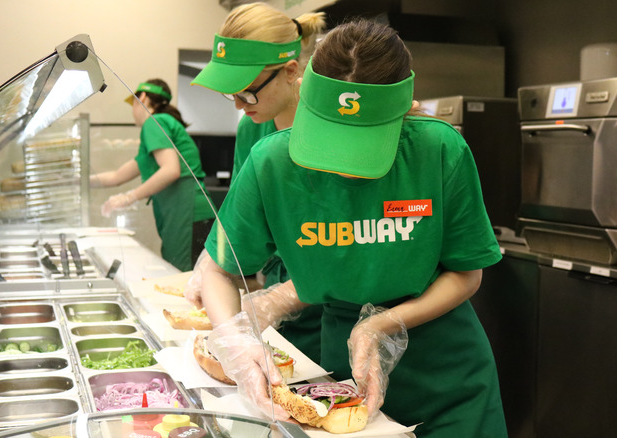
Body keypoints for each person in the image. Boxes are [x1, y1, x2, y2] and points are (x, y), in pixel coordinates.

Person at [199, 19, 509, 438]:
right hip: (343, 378)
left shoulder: (439, 149)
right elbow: (219, 269)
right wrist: (236, 344)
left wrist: (380, 325)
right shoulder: (271, 162)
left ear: (405, 109)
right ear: (306, 97)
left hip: (448, 377)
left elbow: (466, 272)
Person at [187, 2, 326, 362]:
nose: (238, 105)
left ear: (291, 71)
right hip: (279, 283)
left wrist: (284, 297)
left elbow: (353, 237)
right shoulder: (254, 125)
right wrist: (214, 261)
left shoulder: (331, 127)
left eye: (247, 92)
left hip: (341, 304)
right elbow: (242, 207)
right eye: (230, 94)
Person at [91, 79, 215, 272]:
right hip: (187, 216)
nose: (132, 110)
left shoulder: (155, 122)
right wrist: (75, 179)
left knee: (185, 280)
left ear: (143, 98)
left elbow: (170, 170)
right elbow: (116, 176)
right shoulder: (161, 127)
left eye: (133, 103)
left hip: (187, 215)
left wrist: (129, 197)